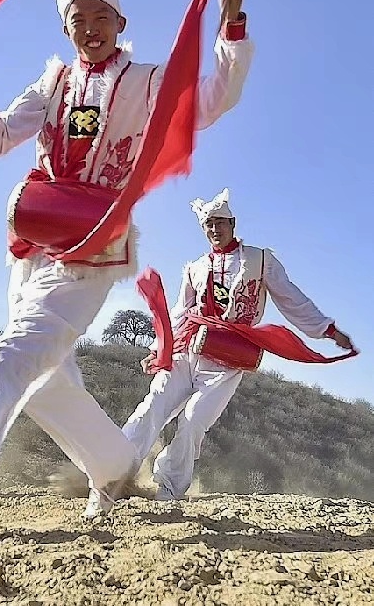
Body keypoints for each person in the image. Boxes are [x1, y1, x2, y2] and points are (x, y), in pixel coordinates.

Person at [0, 0, 254, 542]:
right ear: (66, 29)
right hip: (32, 248)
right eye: (77, 21)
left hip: (92, 252)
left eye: (100, 19)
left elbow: (215, 97)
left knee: (11, 359)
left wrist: (231, 24)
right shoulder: (53, 82)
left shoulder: (147, 82)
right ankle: (112, 467)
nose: (89, 30)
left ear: (120, 24)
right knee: (44, 381)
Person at [86, 188, 353, 512]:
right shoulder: (194, 268)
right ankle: (110, 480)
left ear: (233, 223)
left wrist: (327, 329)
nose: (215, 229)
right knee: (154, 405)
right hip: (187, 348)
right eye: (209, 224)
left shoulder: (260, 260)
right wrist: (159, 349)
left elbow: (291, 298)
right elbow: (179, 312)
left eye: (220, 222)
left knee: (194, 420)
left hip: (226, 359)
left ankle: (168, 486)